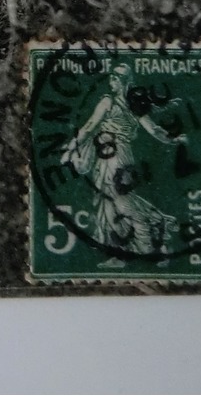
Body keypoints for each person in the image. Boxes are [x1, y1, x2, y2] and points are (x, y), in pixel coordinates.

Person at [61, 63, 185, 264]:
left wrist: (71, 147)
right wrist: (173, 139)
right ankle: (121, 253)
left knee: (120, 202)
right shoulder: (136, 106)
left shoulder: (108, 102)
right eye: (111, 78)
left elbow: (90, 126)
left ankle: (151, 245)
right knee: (109, 204)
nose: (112, 82)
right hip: (114, 156)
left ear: (125, 81)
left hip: (114, 156)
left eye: (115, 78)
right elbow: (154, 130)